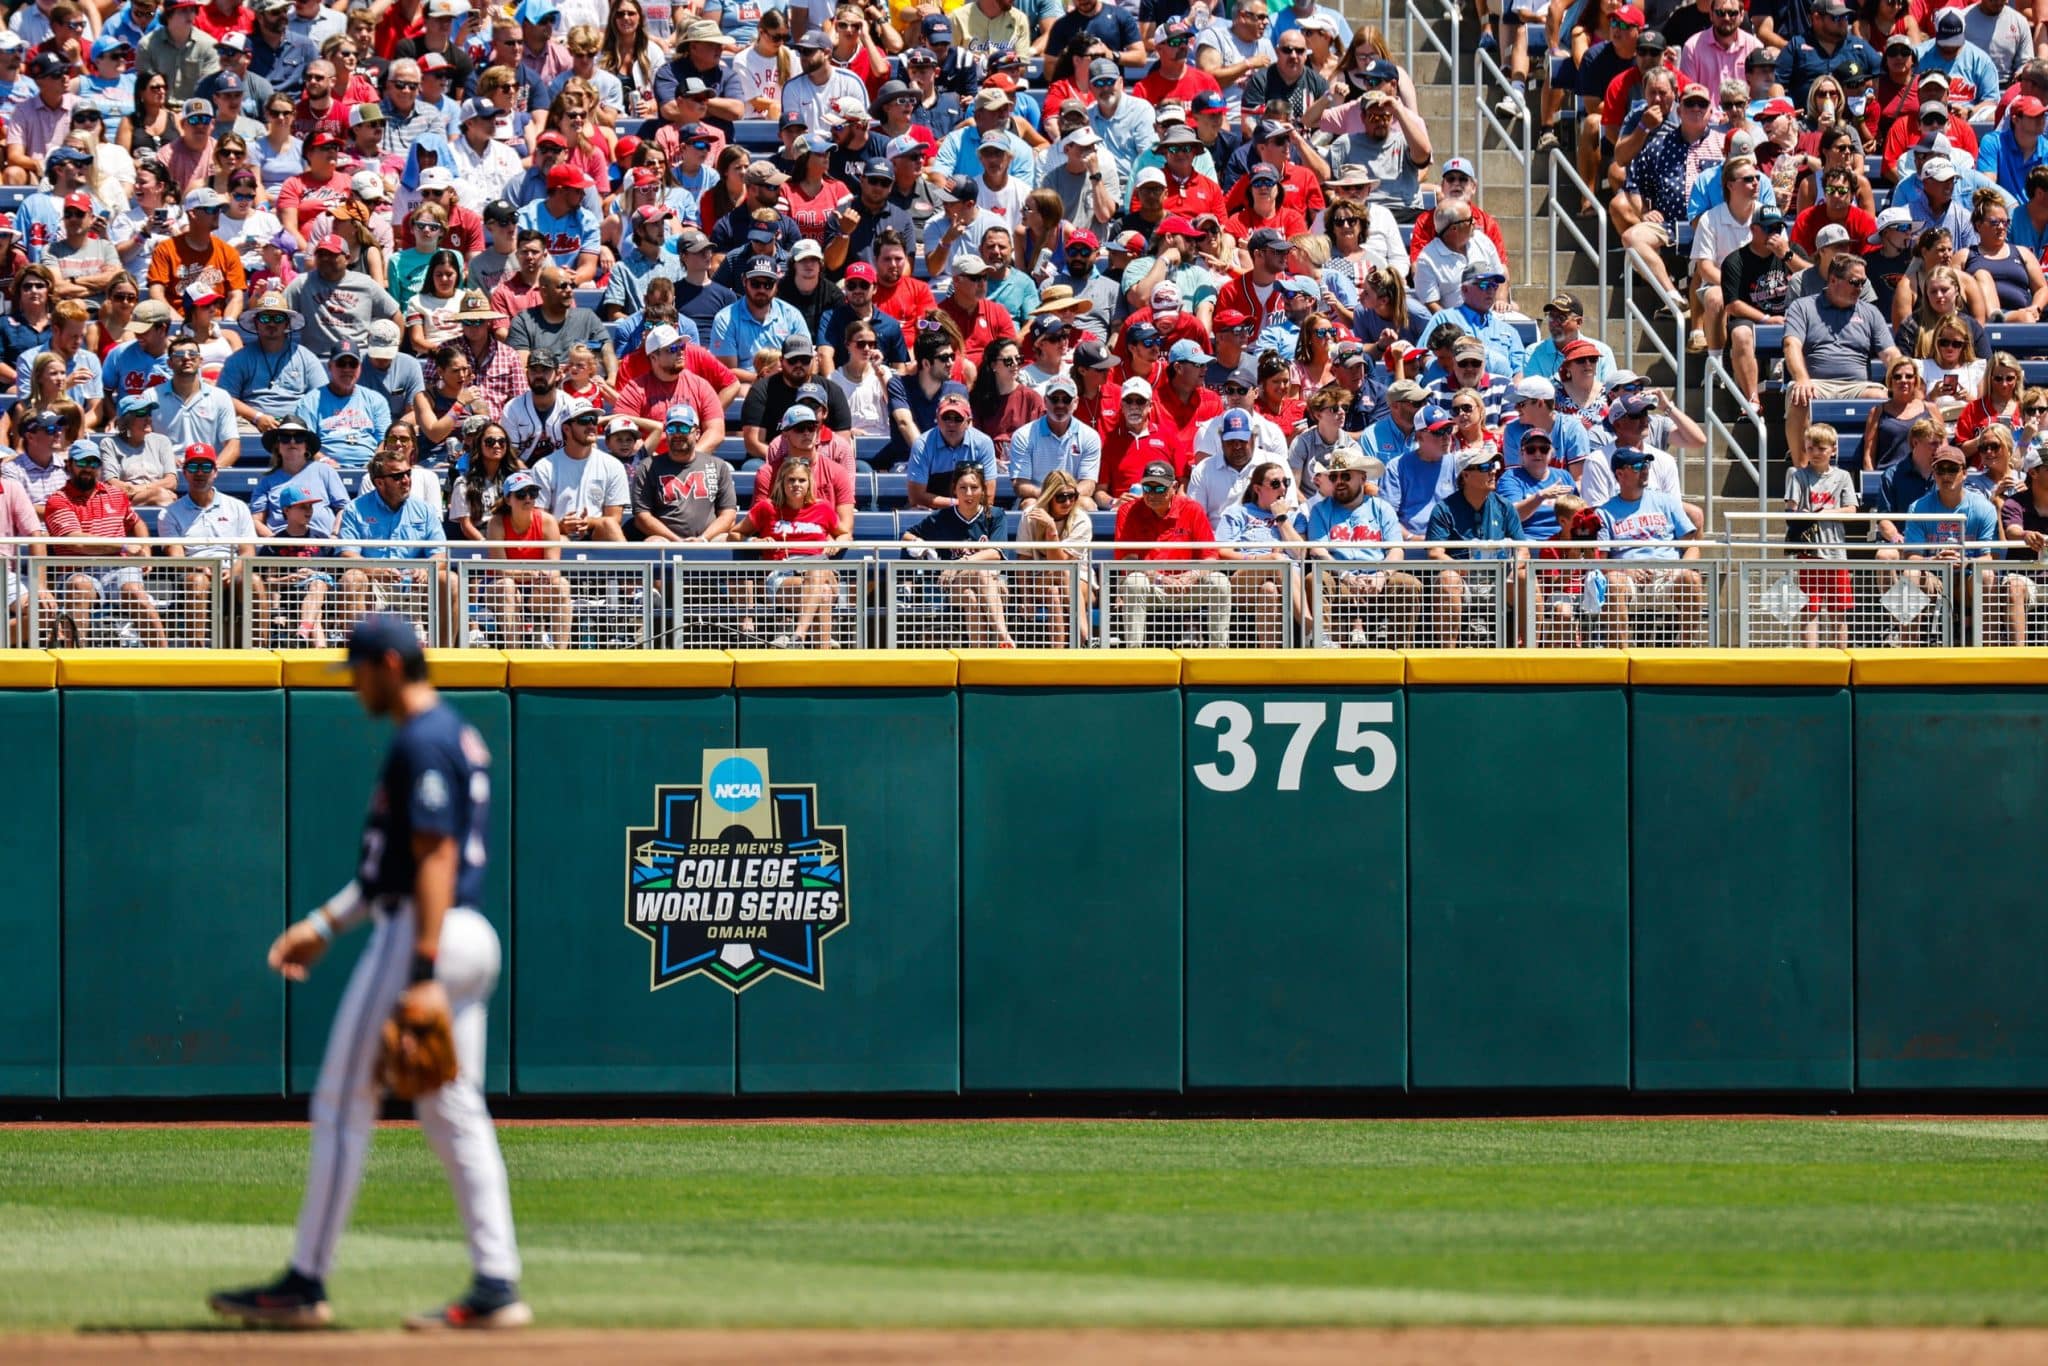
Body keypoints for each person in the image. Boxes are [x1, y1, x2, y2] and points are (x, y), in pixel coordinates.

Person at [208, 614, 526, 1333]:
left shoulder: (422, 739)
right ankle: (497, 1282)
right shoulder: (452, 734)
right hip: (466, 935)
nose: (353, 686)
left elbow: (436, 857)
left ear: (390, 664)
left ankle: (304, 1280)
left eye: (358, 672)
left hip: (426, 933)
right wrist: (324, 927)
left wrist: (420, 969)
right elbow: (403, 865)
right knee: (453, 1111)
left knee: (341, 1102)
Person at [39, 441, 168, 649]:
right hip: (76, 570)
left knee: (135, 592)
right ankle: (75, 661)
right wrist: (122, 546)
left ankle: (165, 659)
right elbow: (77, 543)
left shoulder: (116, 495)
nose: (88, 467)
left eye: (93, 462)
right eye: (82, 461)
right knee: (80, 586)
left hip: (119, 567)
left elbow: (136, 522)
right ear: (69, 464)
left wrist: (146, 549)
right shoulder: (58, 500)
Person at [1111, 457, 1230, 647]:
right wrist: (1160, 579)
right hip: (1152, 587)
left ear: (1174, 486)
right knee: (1134, 580)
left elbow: (1211, 556)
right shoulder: (1128, 510)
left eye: (1160, 489)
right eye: (1147, 488)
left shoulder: (1192, 509)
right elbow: (1128, 560)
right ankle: (1133, 653)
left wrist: (1191, 576)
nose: (1152, 494)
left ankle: (1218, 651)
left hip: (1187, 587)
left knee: (1220, 581)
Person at [1596, 447, 1705, 647]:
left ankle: (1686, 651)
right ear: (1620, 474)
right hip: (1627, 576)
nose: (1645, 469)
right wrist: (1624, 569)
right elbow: (1601, 559)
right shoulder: (1604, 512)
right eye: (1638, 466)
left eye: (1646, 465)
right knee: (1612, 580)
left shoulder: (1666, 501)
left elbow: (1693, 546)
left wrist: (1679, 569)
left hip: (1667, 574)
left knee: (1691, 577)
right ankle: (1621, 655)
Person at [736, 455, 844, 649]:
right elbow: (735, 533)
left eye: (801, 480)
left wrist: (837, 542)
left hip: (821, 568)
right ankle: (824, 658)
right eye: (791, 480)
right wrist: (755, 540)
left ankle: (798, 636)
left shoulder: (823, 508)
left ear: (809, 482)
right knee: (824, 594)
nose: (796, 484)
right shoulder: (767, 508)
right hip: (783, 573)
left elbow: (845, 535)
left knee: (817, 569)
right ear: (782, 483)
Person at [1427, 448, 1528, 643]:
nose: (1493, 471)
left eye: (1494, 465)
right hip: (1462, 581)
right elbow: (1435, 553)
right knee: (1447, 579)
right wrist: (1463, 569)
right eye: (1485, 466)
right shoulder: (1444, 509)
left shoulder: (1504, 506)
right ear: (1465, 475)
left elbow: (1523, 550)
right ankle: (1444, 659)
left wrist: (1512, 571)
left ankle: (1530, 657)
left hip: (1498, 581)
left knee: (1523, 576)